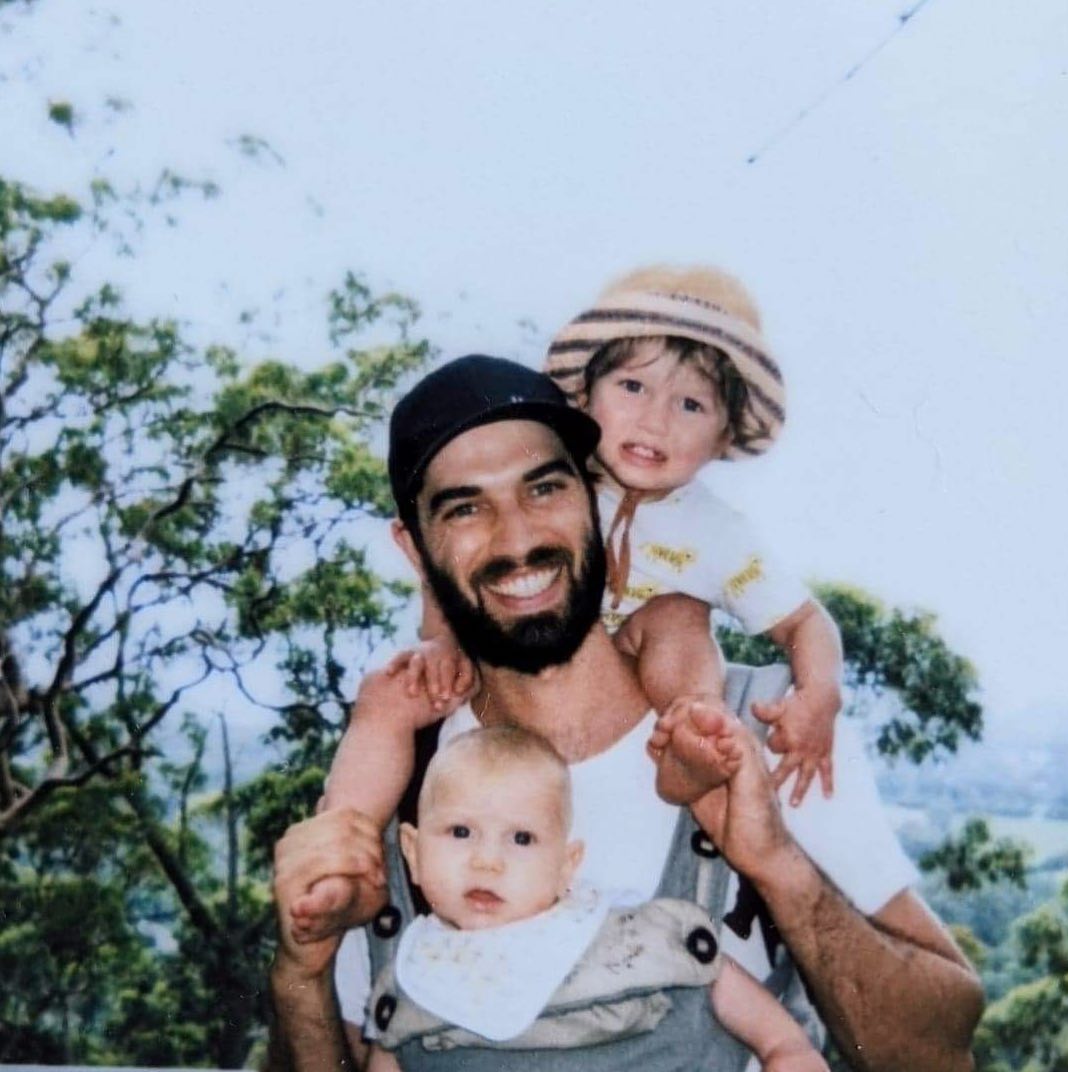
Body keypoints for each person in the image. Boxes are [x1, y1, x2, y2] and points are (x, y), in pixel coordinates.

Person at [258, 354, 984, 1072]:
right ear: (413, 544)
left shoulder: (766, 729)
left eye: (546, 487)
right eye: (465, 508)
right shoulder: (398, 779)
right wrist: (301, 972)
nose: (519, 538)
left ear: (596, 501)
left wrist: (773, 859)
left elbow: (938, 1064)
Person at [302, 265, 841, 940]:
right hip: (515, 653)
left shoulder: (716, 531)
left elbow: (802, 620)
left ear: (724, 436)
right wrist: (441, 640)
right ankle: (341, 851)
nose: (654, 420)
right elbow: (451, 559)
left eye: (691, 406)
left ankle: (689, 739)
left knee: (679, 614)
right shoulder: (566, 465)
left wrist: (819, 694)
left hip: (645, 664)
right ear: (587, 397)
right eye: (633, 387)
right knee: (387, 692)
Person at [359, 725, 834, 1072]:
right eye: (461, 832)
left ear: (566, 866)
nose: (488, 860)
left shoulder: (606, 933)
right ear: (414, 854)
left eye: (521, 839)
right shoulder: (414, 975)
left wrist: (782, 1045)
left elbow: (712, 975)